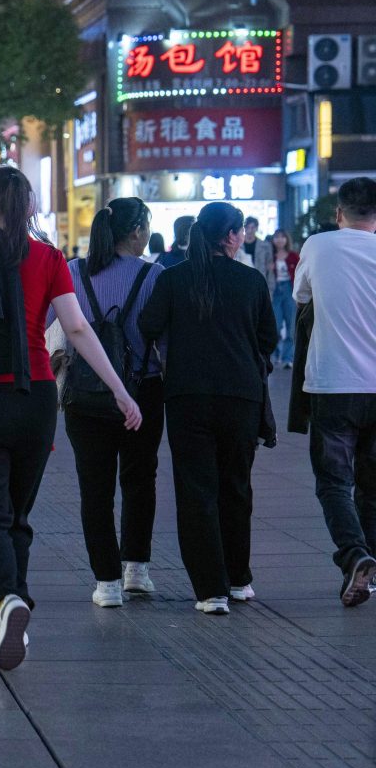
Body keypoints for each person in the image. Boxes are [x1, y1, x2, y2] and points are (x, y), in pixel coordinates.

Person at [0, 166, 140, 670]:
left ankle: (6, 600)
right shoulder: (49, 257)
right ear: (29, 206)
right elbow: (76, 329)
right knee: (17, 513)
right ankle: (15, 612)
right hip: (37, 401)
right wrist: (120, 390)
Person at [140, 202, 277, 616]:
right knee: (236, 486)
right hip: (241, 396)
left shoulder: (175, 279)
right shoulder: (251, 281)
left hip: (187, 397)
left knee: (196, 490)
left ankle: (210, 590)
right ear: (231, 236)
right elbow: (267, 339)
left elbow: (147, 327)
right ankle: (239, 580)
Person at [62, 197, 165, 608]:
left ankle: (106, 583)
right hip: (144, 390)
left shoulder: (72, 272)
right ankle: (135, 569)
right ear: (138, 231)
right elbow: (163, 342)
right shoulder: (154, 276)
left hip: (85, 395)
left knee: (95, 488)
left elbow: (50, 326)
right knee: (140, 480)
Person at [293, 177, 376, 606]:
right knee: (372, 484)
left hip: (334, 385)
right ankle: (366, 567)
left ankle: (355, 554)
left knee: (332, 483)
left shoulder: (318, 245)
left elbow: (301, 294)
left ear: (339, 213)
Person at [271, 229, 299, 369]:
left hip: (290, 290)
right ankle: (274, 356)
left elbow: (300, 275)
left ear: (287, 239)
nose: (280, 240)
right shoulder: (270, 256)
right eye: (277, 237)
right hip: (275, 290)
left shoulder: (294, 256)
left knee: (290, 325)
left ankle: (288, 358)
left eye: (283, 237)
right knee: (275, 325)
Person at [239, 215, 276, 295]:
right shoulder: (238, 245)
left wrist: (270, 289)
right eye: (247, 227)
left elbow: (270, 268)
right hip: (241, 282)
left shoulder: (265, 246)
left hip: (260, 282)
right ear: (244, 228)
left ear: (256, 228)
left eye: (252, 227)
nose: (250, 230)